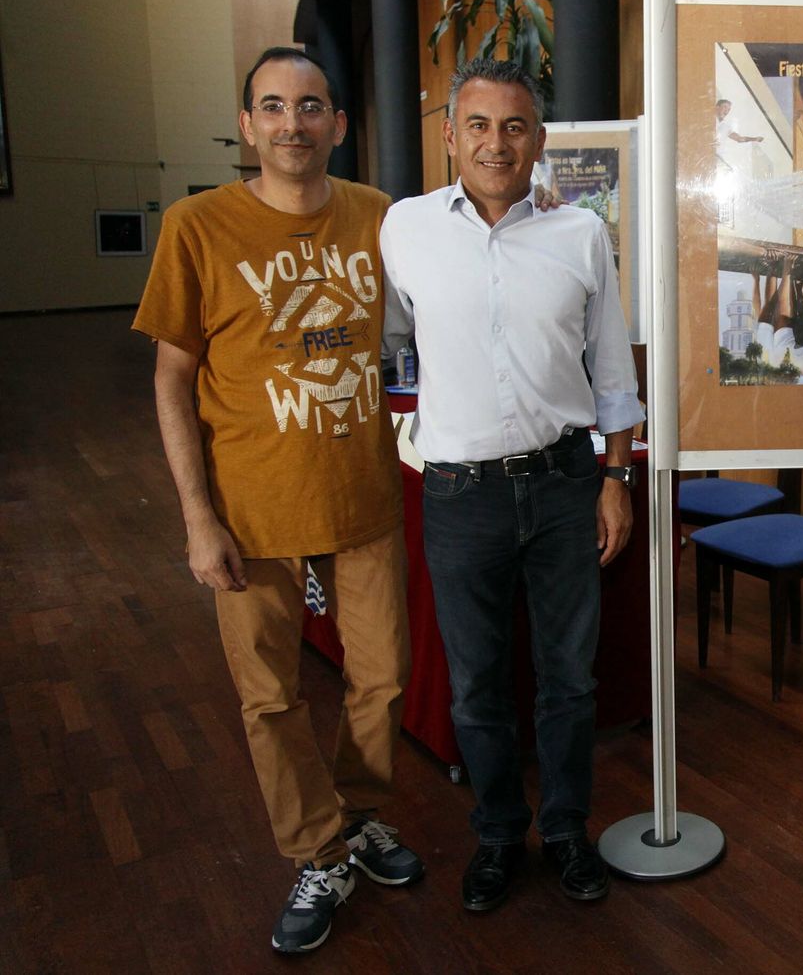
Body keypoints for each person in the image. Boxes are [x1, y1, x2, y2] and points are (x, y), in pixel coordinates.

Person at [133, 47, 423, 955]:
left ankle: (363, 814)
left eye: (311, 106)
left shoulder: (381, 216)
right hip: (249, 513)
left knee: (381, 681)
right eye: (273, 107)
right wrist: (196, 518)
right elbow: (172, 380)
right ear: (250, 124)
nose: (292, 123)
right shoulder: (196, 226)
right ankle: (316, 850)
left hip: (366, 497)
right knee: (270, 698)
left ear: (337, 123)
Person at [380, 57, 643, 912]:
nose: (498, 143)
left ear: (539, 140)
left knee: (569, 679)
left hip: (568, 483)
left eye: (516, 126)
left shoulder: (580, 235)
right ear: (450, 134)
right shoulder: (403, 231)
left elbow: (611, 372)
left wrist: (614, 476)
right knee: (476, 685)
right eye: (480, 126)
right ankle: (497, 833)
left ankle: (566, 830)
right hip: (460, 495)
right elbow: (380, 342)